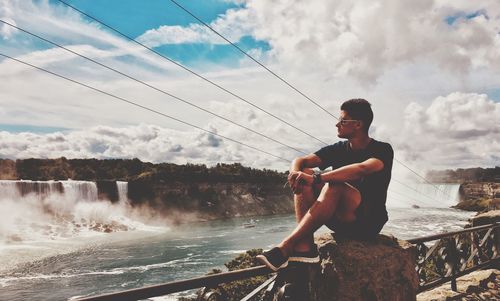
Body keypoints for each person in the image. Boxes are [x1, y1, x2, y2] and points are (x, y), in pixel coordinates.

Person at [257, 99, 393, 271]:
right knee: (304, 172)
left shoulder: (382, 149)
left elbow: (362, 168)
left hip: (367, 223)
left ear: (358, 124)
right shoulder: (338, 148)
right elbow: (301, 160)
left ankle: (287, 245)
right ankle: (305, 249)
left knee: (334, 185)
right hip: (339, 221)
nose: (337, 124)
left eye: (343, 121)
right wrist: (294, 174)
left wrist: (318, 178)